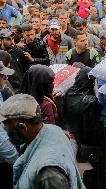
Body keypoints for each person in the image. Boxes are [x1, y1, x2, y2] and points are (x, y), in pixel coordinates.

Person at [0, 94, 85, 189]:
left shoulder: (48, 174)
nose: (4, 129)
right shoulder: (54, 130)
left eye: (6, 125)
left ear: (22, 127)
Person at [63, 67, 106, 189]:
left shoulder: (68, 93)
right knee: (95, 170)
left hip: (74, 138)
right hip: (90, 142)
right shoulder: (91, 101)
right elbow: (92, 128)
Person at [0, 61, 16, 189]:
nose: (6, 78)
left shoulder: (1, 92)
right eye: (2, 75)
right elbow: (1, 138)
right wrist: (16, 159)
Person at [0, 28, 31, 93]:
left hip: (21, 88)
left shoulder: (18, 51)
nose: (11, 41)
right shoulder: (1, 55)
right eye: (8, 39)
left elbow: (27, 68)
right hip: (8, 90)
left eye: (12, 38)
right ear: (1, 40)